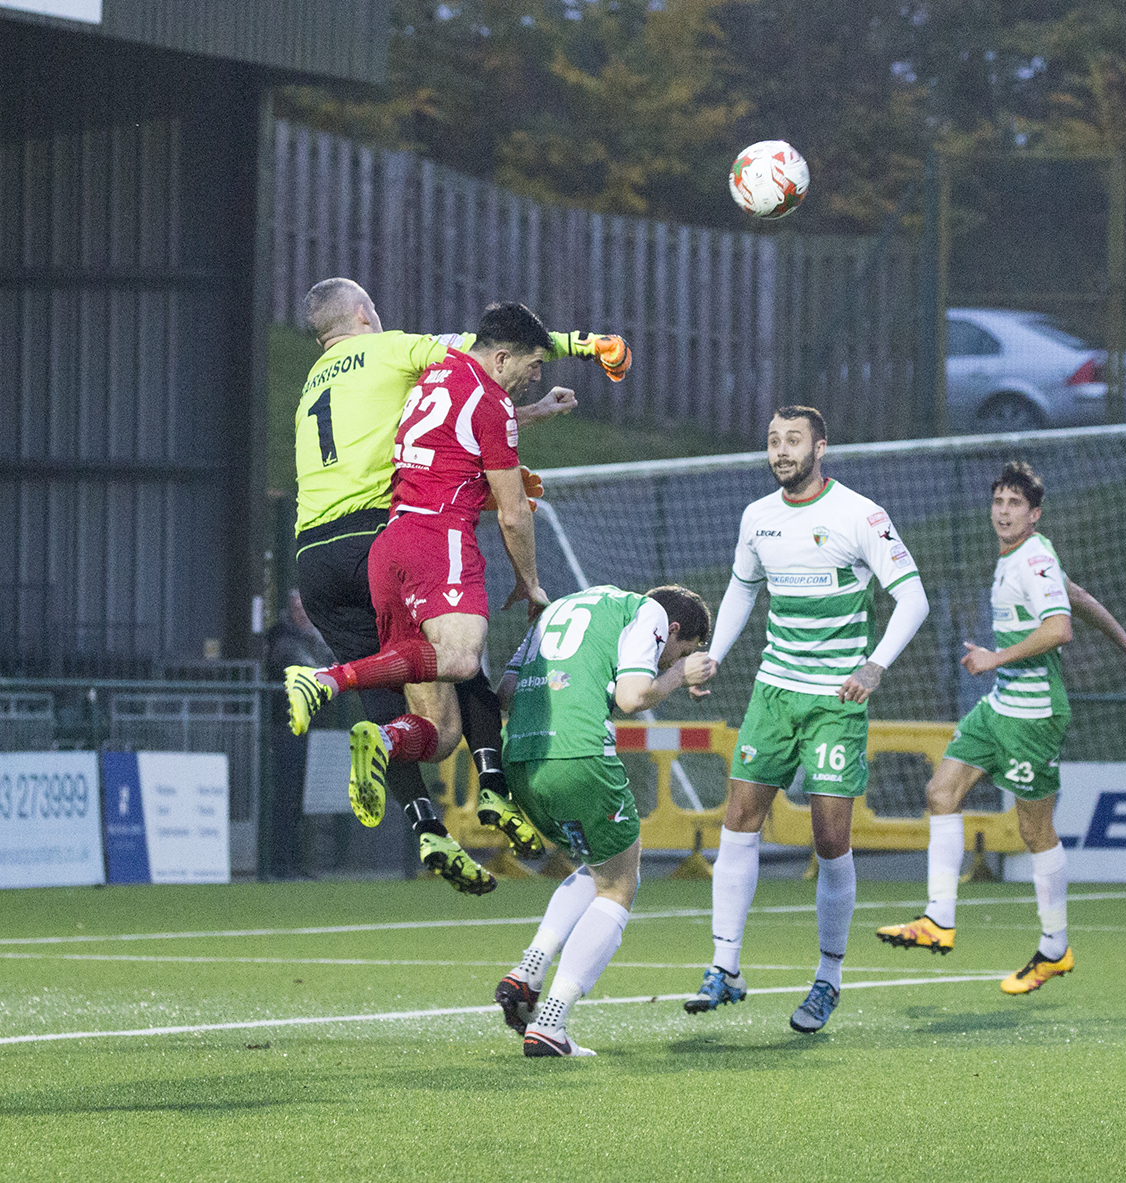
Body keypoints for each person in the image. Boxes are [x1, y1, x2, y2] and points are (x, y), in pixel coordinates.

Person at [284, 277, 629, 892]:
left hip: (313, 553)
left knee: (392, 693)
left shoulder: (314, 382)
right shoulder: (391, 349)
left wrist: (525, 415)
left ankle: (425, 827)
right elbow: (487, 345)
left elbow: (453, 420)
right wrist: (585, 343)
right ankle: (493, 790)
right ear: (365, 314)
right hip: (384, 528)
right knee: (460, 661)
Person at [683, 405, 929, 1033]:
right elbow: (743, 589)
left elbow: (913, 598)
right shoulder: (757, 518)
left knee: (828, 839)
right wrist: (714, 653)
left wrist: (873, 667)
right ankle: (724, 966)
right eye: (773, 440)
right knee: (738, 820)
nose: (780, 451)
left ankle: (828, 978)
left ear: (822, 446)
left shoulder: (860, 515)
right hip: (774, 692)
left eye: (793, 440)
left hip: (835, 702)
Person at [874, 460, 1126, 993]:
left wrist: (993, 659)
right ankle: (938, 919)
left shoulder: (1031, 558)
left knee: (1034, 831)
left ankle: (1055, 949)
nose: (1003, 512)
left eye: (1015, 505)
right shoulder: (1031, 555)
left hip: (1034, 716)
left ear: (1034, 515)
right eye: (998, 502)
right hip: (1001, 708)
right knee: (941, 792)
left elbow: (1060, 629)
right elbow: (1078, 596)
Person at [491, 583, 715, 1057]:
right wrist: (677, 674)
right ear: (672, 629)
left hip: (523, 758)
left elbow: (506, 692)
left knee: (599, 869)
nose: (667, 656)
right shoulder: (648, 612)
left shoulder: (559, 609)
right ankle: (551, 1023)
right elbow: (636, 697)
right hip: (579, 756)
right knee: (620, 883)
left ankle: (528, 972)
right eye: (680, 648)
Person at [264, 590, 332, 880]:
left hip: (311, 729)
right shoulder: (284, 641)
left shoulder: (315, 640)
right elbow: (314, 672)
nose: (303, 612)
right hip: (288, 729)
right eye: (298, 606)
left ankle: (298, 861)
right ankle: (280, 864)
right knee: (285, 797)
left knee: (305, 797)